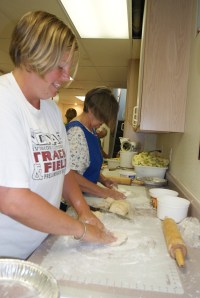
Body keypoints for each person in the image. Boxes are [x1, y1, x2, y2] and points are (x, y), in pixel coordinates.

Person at [0, 11, 116, 260]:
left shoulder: (51, 108)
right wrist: (80, 229)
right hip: (7, 256)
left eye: (69, 67)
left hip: (42, 244)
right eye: (60, 67)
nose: (66, 77)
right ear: (33, 58)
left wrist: (83, 210)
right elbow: (12, 199)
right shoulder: (4, 102)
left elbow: (63, 171)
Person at [66, 87, 126, 200]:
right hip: (75, 200)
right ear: (91, 109)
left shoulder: (91, 130)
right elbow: (71, 176)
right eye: (102, 117)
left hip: (87, 196)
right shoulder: (76, 132)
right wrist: (107, 193)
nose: (103, 122)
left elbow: (86, 166)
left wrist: (103, 180)